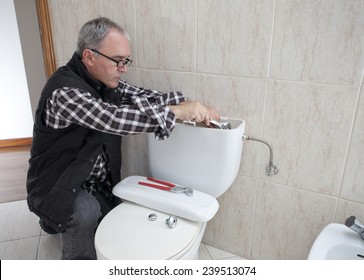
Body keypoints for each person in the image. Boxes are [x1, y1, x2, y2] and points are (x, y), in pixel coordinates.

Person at [26, 17, 219, 260]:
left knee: (113, 216)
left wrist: (188, 104)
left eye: (126, 61)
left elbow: (144, 97)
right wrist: (175, 112)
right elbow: (113, 119)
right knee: (85, 212)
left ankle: (56, 220)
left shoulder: (104, 82)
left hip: (91, 181)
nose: (124, 68)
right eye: (118, 61)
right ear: (89, 56)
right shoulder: (65, 92)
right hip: (55, 183)